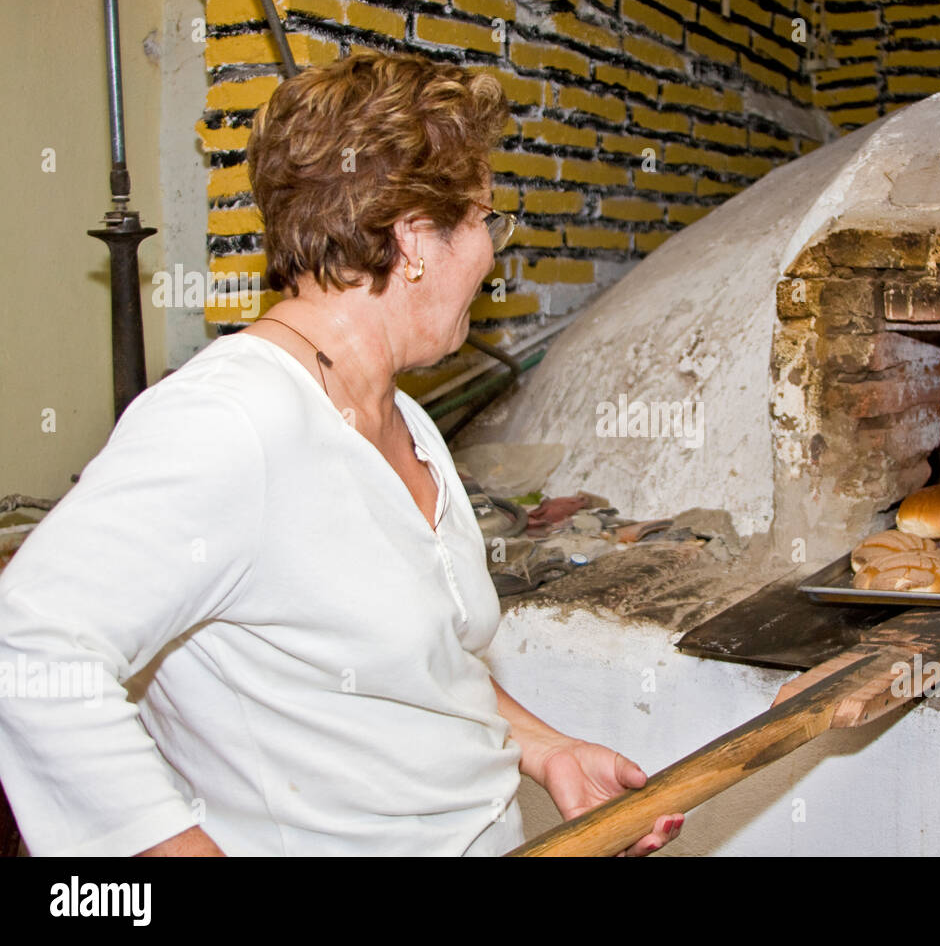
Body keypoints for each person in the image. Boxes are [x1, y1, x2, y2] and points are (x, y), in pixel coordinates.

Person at [0, 52, 684, 856]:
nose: (493, 255)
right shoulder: (233, 419)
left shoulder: (405, 420)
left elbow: (417, 663)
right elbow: (30, 651)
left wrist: (546, 747)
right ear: (414, 237)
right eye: (486, 220)